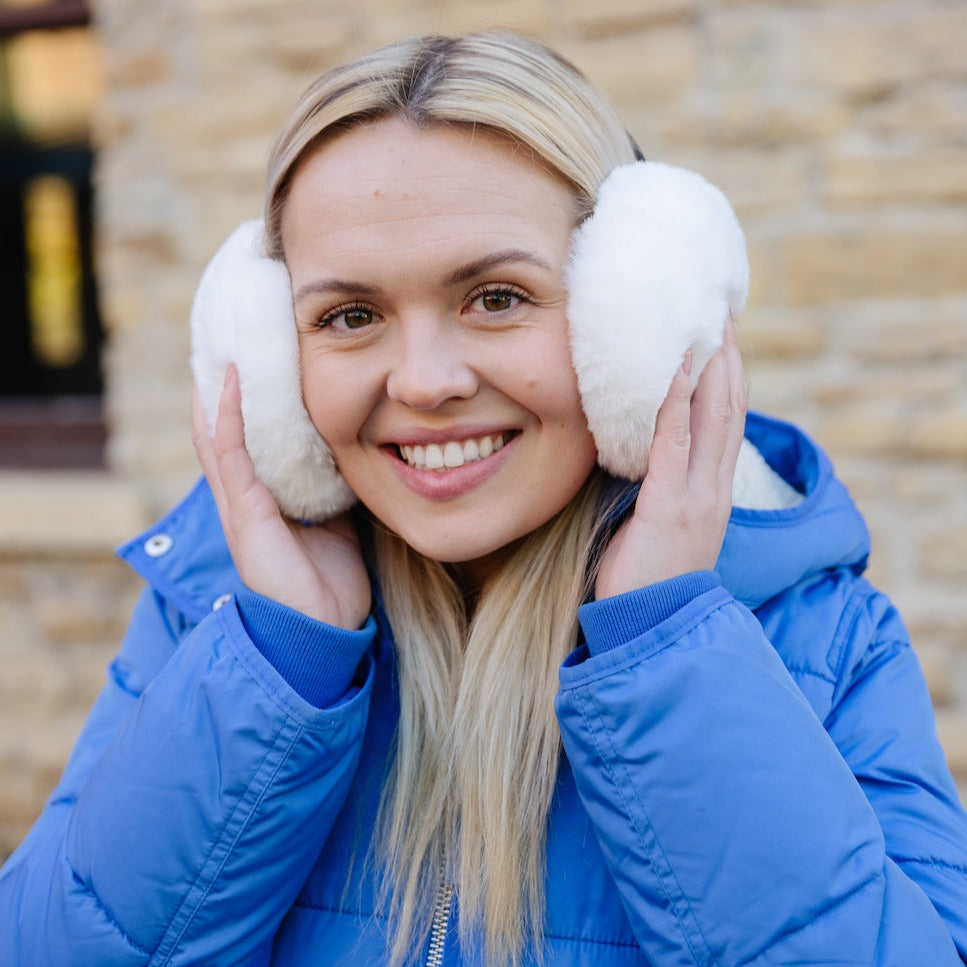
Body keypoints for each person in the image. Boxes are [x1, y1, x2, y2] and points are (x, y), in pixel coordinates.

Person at [2, 30, 966, 967]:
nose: (422, 381)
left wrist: (664, 647)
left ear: (627, 315)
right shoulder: (214, 621)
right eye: (349, 316)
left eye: (496, 296)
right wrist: (280, 666)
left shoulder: (818, 640)